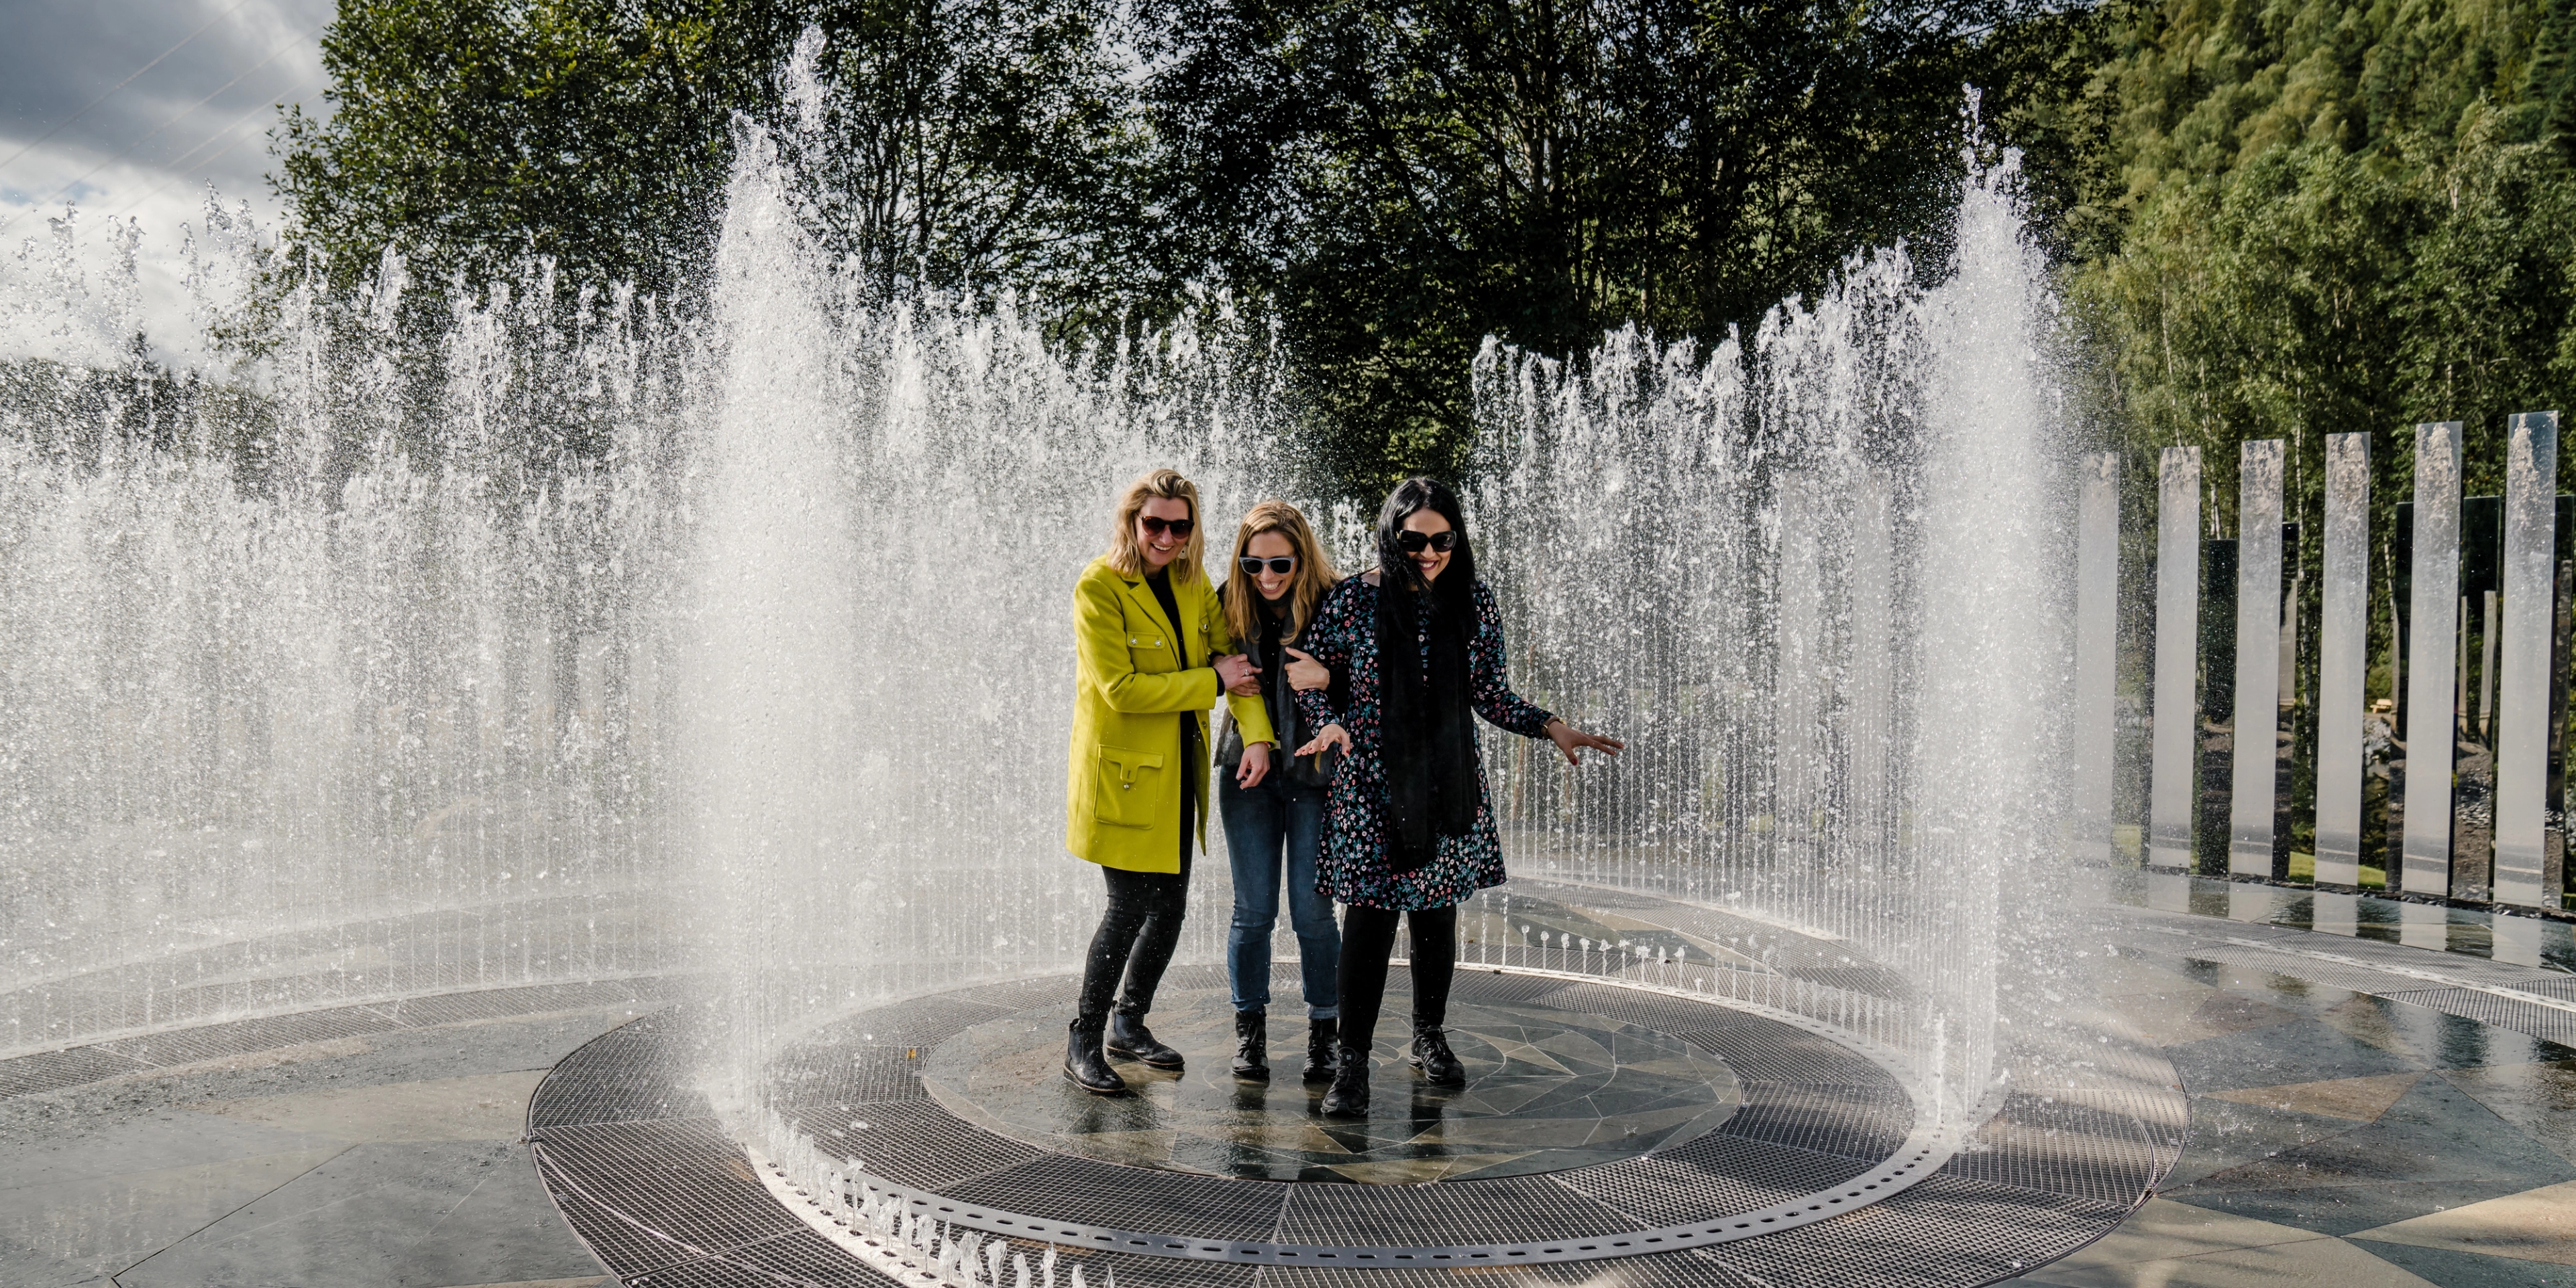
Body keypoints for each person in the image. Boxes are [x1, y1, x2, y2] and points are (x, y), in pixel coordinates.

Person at [1293, 478, 1623, 1116]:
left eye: (1442, 539)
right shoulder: (1352, 602)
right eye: (1413, 539)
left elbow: (1490, 693)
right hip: (1369, 785)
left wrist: (1549, 724)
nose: (1428, 552)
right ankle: (1352, 1064)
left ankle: (1428, 1035)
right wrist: (1324, 717)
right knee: (1368, 922)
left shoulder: (1472, 600)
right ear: (1391, 535)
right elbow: (1310, 672)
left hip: (1448, 781)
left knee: (1436, 916)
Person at [1061, 468, 1271, 1095]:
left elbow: (1234, 660)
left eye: (1181, 526)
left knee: (1171, 907)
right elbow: (1121, 690)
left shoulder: (1190, 581)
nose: (1167, 537)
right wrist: (1211, 682)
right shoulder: (1099, 586)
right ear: (1132, 521)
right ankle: (1083, 1038)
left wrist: (1257, 735)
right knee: (1127, 909)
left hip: (1178, 771)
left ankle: (1130, 1024)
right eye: (1155, 523)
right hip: (1123, 779)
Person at [1214, 501, 1345, 1083]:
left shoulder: (1336, 602)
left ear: (1302, 556)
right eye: (1253, 564)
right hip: (1248, 771)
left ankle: (1325, 1032)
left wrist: (1332, 678)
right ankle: (1250, 1031)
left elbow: (1374, 674)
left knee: (1314, 912)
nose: (1265, 577)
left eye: (1279, 564)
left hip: (1318, 775)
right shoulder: (1224, 602)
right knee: (1254, 910)